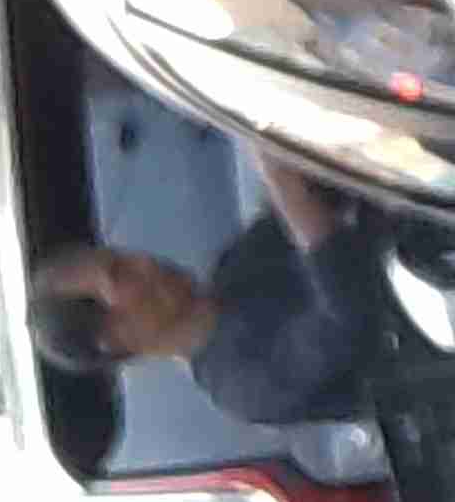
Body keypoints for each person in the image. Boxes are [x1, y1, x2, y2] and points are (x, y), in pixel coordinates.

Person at [29, 156, 407, 427]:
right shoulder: (240, 386)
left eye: (123, 255)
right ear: (113, 338)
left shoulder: (236, 265)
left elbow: (329, 197)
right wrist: (287, 190)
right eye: (120, 274)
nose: (144, 261)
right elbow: (350, 319)